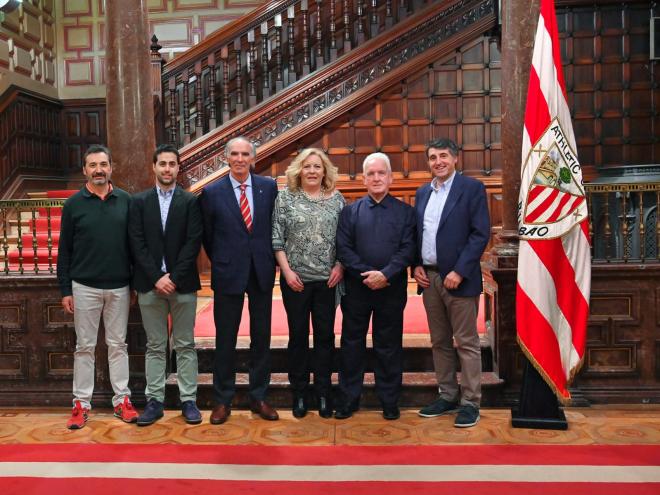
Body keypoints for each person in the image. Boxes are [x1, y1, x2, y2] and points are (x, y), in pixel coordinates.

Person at [57, 144, 138, 429]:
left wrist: (134, 285)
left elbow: (134, 247)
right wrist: (66, 289)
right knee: (85, 347)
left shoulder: (126, 200)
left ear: (111, 167)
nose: (99, 170)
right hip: (84, 287)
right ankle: (80, 404)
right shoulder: (73, 204)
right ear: (85, 170)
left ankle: (122, 401)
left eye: (103, 164)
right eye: (93, 165)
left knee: (118, 346)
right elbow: (64, 250)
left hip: (119, 287)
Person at [200, 136, 279, 424]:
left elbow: (273, 226)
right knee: (225, 340)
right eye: (234, 153)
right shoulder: (211, 192)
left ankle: (259, 396)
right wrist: (224, 259)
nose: (240, 159)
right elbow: (208, 236)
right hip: (227, 272)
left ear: (253, 159)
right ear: (226, 157)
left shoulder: (268, 187)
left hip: (261, 271)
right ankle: (223, 400)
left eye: (245, 154)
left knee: (262, 338)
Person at [413, 138, 490, 428]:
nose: (438, 162)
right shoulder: (423, 193)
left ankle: (470, 402)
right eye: (432, 157)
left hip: (459, 278)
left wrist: (460, 270)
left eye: (443, 156)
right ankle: (447, 395)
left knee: (467, 343)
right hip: (430, 278)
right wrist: (416, 265)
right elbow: (417, 234)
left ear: (455, 158)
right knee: (440, 342)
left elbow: (480, 234)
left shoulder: (471, 189)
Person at [334, 152, 416, 420]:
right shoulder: (349, 212)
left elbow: (408, 249)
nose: (377, 178)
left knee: (389, 345)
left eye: (382, 173)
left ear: (390, 178)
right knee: (352, 344)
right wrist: (366, 274)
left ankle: (389, 400)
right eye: (371, 174)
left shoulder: (406, 212)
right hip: (357, 289)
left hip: (391, 288)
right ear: (363, 179)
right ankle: (348, 398)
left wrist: (386, 274)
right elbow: (344, 249)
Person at [128, 144, 203, 426]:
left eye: (172, 164)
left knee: (185, 344)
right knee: (156, 345)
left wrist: (172, 277)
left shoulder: (190, 201)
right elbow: (137, 243)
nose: (167, 169)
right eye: (163, 164)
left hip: (182, 285)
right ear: (154, 167)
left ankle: (189, 401)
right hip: (149, 285)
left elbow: (193, 243)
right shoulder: (139, 202)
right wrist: (156, 277)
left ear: (178, 168)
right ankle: (155, 400)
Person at [272, 148, 345, 419]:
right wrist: (287, 271)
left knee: (325, 338)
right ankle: (300, 393)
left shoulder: (337, 200)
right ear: (298, 170)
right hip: (296, 282)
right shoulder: (285, 198)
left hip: (328, 281)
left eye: (317, 166)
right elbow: (276, 238)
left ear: (325, 170)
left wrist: (340, 266)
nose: (312, 171)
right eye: (307, 166)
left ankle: (324, 393)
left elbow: (345, 239)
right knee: (298, 338)